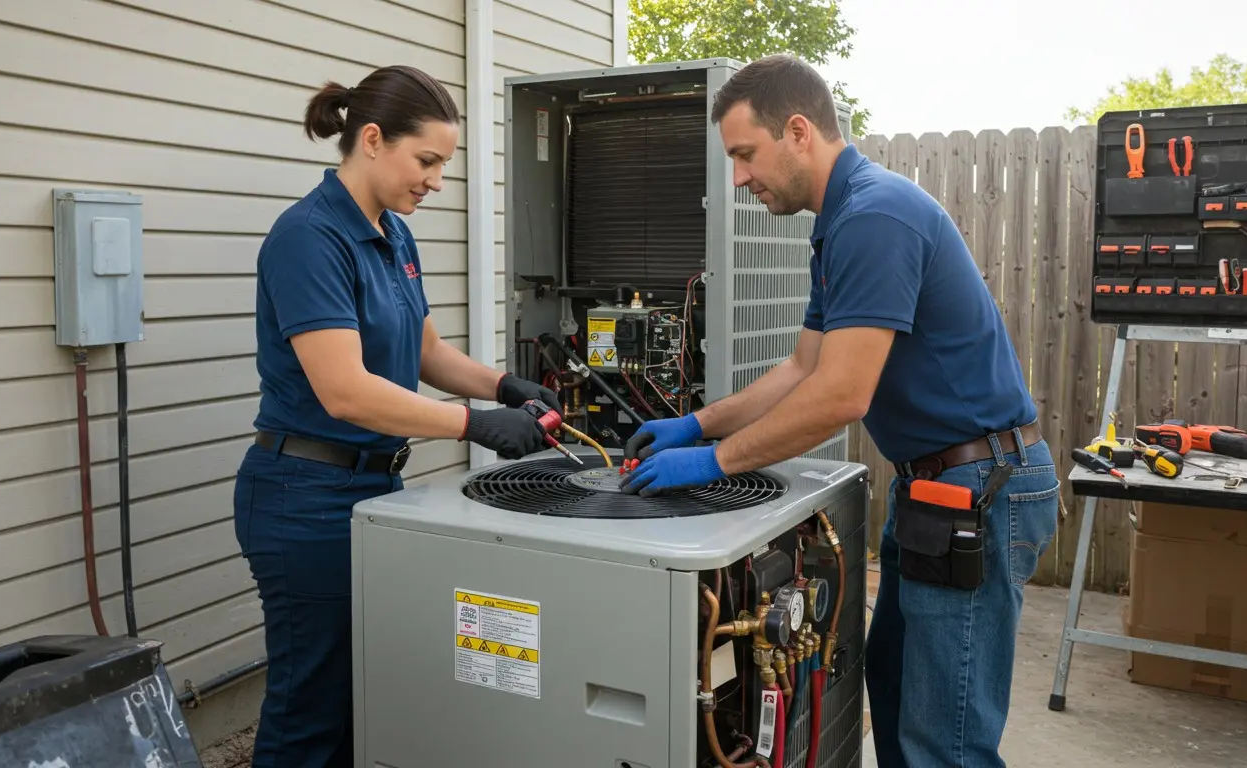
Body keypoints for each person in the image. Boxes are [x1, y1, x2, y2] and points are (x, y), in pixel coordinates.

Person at [619, 55, 1058, 767]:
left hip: (981, 491)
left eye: (744, 154)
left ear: (797, 131)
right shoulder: (839, 222)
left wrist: (711, 461)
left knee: (943, 742)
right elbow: (803, 368)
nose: (737, 178)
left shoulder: (876, 216)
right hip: (935, 491)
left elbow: (841, 396)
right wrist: (697, 423)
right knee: (892, 692)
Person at [233, 65, 557, 768]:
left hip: (373, 487)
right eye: (428, 160)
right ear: (373, 139)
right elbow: (344, 390)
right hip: (302, 498)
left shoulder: (393, 233)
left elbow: (425, 350)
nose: (437, 181)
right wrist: (472, 426)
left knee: (367, 694)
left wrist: (506, 386)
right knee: (309, 708)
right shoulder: (308, 238)